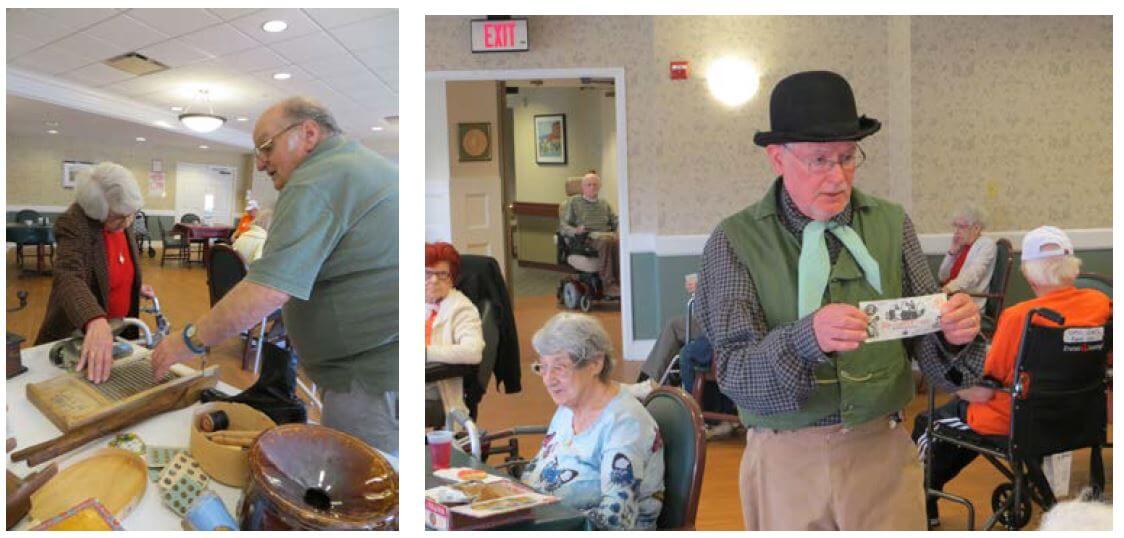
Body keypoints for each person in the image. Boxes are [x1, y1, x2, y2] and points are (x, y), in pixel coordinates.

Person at [695, 70, 985, 530]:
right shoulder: (734, 241)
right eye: (819, 160)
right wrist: (805, 338)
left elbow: (927, 349)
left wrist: (953, 335)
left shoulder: (891, 224)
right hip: (787, 459)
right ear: (777, 158)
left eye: (848, 157)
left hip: (883, 455)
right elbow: (736, 373)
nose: (837, 177)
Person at [151, 96, 399, 456]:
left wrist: (186, 341)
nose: (262, 161)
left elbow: (265, 291)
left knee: (366, 484)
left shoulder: (316, 179)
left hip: (369, 379)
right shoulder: (351, 164)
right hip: (376, 372)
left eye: (267, 146)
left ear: (309, 134)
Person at [911, 226, 1110, 527]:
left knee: (931, 422)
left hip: (1018, 421)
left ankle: (923, 504)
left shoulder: (1021, 316)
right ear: (1073, 268)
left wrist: (946, 377)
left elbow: (987, 385)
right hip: (1078, 419)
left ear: (1029, 276)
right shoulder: (1101, 305)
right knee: (964, 416)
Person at [520, 313, 664, 530]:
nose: (549, 379)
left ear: (596, 363)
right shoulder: (568, 408)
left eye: (559, 367)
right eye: (543, 367)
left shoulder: (625, 424)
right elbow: (538, 469)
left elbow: (614, 522)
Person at [36, 162, 156, 384]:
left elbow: (116, 263)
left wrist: (132, 285)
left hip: (118, 332)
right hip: (75, 336)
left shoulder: (122, 216)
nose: (128, 221)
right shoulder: (74, 223)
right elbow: (68, 275)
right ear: (97, 212)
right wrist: (93, 319)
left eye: (132, 214)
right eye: (120, 217)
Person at [425, 242, 484, 423]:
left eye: (442, 274)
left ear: (452, 279)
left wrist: (426, 353)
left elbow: (473, 351)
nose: (434, 280)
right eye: (427, 273)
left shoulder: (462, 308)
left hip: (436, 390)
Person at [560, 171, 620, 297]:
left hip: (606, 236)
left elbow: (615, 222)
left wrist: (621, 228)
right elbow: (563, 226)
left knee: (618, 242)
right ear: (582, 187)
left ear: (599, 187)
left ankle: (621, 284)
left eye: (594, 184)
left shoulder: (604, 203)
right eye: (588, 185)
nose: (592, 187)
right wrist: (576, 230)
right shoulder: (573, 202)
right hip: (585, 238)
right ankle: (608, 286)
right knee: (607, 241)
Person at [938, 206, 997, 312]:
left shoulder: (986, 244)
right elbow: (942, 276)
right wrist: (952, 252)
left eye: (961, 227)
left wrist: (948, 289)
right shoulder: (962, 245)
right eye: (955, 226)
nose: (956, 231)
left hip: (968, 304)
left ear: (976, 228)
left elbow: (973, 274)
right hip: (951, 299)